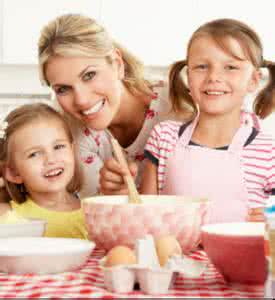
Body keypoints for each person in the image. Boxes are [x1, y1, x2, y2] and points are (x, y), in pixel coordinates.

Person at [140, 18, 275, 224]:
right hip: (174, 256)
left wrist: (269, 222)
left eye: (230, 67)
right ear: (188, 76)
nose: (214, 76)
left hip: (240, 256)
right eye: (202, 66)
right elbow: (145, 219)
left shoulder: (268, 152)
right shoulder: (164, 137)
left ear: (254, 80)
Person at [38, 13, 181, 198]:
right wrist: (113, 197)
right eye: (63, 89)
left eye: (89, 75)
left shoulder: (177, 105)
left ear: (117, 64)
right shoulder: (64, 134)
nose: (81, 100)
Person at [0, 103, 87, 239]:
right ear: (13, 173)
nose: (50, 159)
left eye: (58, 147)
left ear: (72, 150)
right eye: (34, 154)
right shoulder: (7, 217)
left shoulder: (95, 213)